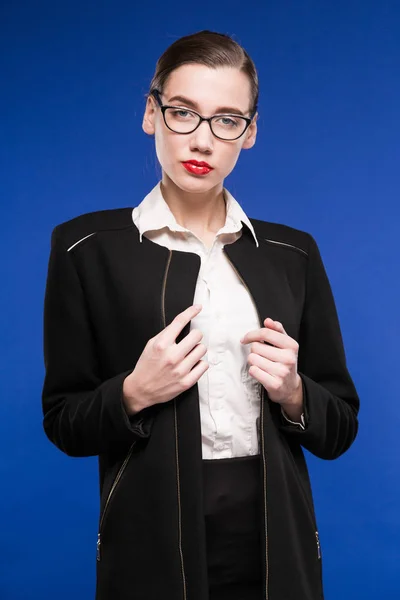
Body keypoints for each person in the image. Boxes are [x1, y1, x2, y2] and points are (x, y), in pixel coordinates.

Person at [42, 30, 360, 600]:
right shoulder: (84, 248)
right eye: (184, 113)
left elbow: (340, 429)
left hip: (274, 538)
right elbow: (63, 421)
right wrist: (135, 391)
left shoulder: (293, 254)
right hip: (149, 540)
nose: (204, 140)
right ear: (151, 113)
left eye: (227, 119)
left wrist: (293, 391)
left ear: (250, 131)